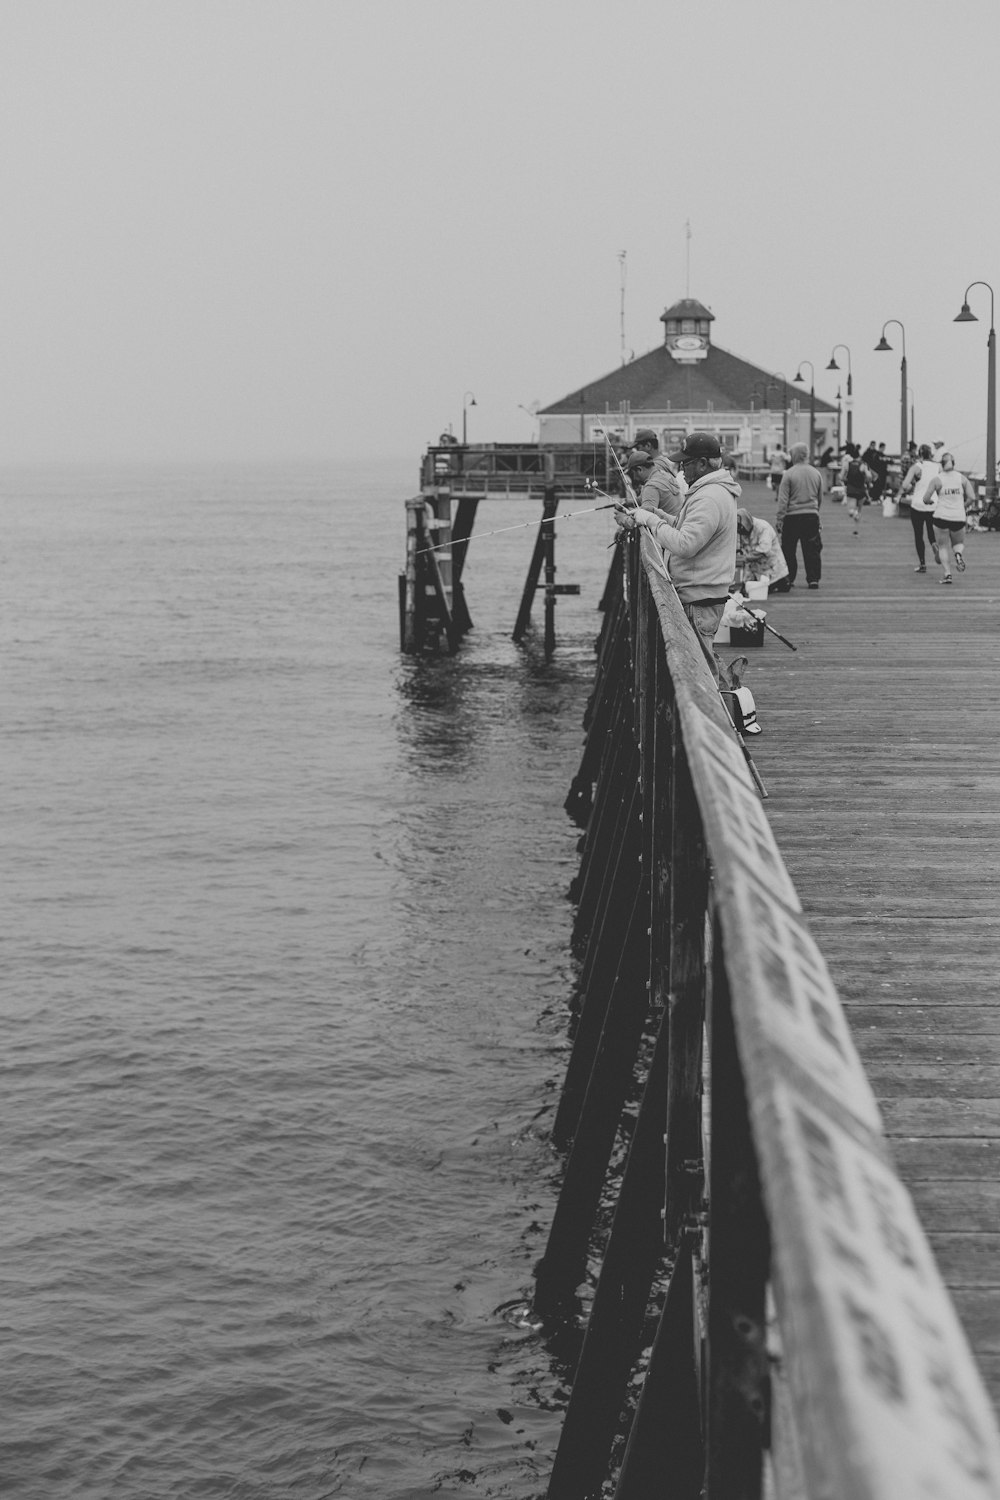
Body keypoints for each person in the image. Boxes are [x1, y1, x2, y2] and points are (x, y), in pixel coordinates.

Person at [615, 431, 739, 676]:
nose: (681, 470)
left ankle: (711, 712)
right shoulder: (708, 492)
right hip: (699, 596)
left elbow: (685, 544)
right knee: (699, 666)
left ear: (702, 464)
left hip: (699, 600)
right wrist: (662, 517)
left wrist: (650, 519)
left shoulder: (709, 498)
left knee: (699, 673)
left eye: (686, 463)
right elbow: (690, 530)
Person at [775, 442, 823, 589]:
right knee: (812, 549)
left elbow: (783, 499)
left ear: (794, 455)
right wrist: (815, 512)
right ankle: (813, 578)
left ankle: (789, 577)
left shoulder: (789, 474)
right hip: (811, 515)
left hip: (792, 517)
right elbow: (819, 497)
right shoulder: (816, 473)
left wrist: (779, 519)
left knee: (789, 549)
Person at [923, 452, 976, 584]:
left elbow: (926, 498)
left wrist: (929, 502)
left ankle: (947, 574)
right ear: (954, 464)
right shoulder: (962, 478)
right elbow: (972, 498)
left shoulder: (937, 479)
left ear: (941, 464)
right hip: (958, 517)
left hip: (941, 516)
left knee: (942, 546)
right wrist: (962, 506)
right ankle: (958, 554)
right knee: (958, 543)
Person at [899, 443, 942, 572]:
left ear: (919, 454)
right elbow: (942, 485)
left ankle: (922, 564)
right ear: (931, 454)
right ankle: (935, 545)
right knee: (931, 533)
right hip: (933, 504)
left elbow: (905, 485)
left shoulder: (917, 467)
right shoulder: (938, 467)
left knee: (918, 535)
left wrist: (913, 485)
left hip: (918, 505)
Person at [735, 508, 789, 592]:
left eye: (741, 528)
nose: (740, 532)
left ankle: (783, 581)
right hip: (755, 570)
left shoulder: (763, 528)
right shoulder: (740, 531)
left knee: (760, 590)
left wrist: (744, 558)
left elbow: (764, 550)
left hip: (774, 568)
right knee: (749, 590)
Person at [843, 449, 873, 530]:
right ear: (859, 456)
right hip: (861, 490)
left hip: (851, 490)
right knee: (859, 510)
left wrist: (845, 479)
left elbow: (842, 476)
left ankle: (855, 516)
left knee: (850, 511)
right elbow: (869, 477)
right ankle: (856, 529)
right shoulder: (863, 465)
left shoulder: (847, 464)